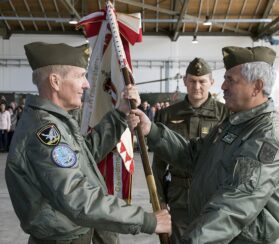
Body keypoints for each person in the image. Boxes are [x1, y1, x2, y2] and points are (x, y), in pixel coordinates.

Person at [5, 42, 171, 244]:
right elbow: (78, 198)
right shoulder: (46, 132)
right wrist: (147, 220)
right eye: (80, 76)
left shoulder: (56, 121)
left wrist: (119, 114)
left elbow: (86, 155)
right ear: (55, 82)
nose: (87, 84)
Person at [128, 46, 279, 243]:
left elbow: (235, 206)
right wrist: (152, 131)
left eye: (230, 80)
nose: (223, 86)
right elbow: (194, 154)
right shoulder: (235, 123)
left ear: (256, 87)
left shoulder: (266, 136)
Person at [152, 57, 229, 243]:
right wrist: (159, 199)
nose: (197, 86)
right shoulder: (168, 114)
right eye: (192, 81)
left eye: (202, 81)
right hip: (179, 195)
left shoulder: (226, 114)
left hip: (213, 195)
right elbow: (159, 162)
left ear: (211, 82)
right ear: (185, 81)